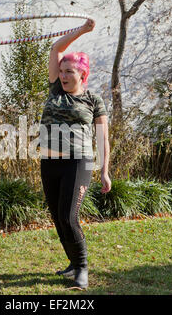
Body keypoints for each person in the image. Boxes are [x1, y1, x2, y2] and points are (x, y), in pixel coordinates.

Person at [39, 18, 111, 289]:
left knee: (69, 216)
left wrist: (104, 170)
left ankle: (81, 268)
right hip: (49, 161)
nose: (65, 75)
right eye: (62, 70)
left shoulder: (93, 100)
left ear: (82, 74)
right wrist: (82, 30)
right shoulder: (55, 88)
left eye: (70, 71)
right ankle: (72, 263)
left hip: (78, 162)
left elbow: (103, 137)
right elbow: (56, 47)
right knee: (58, 216)